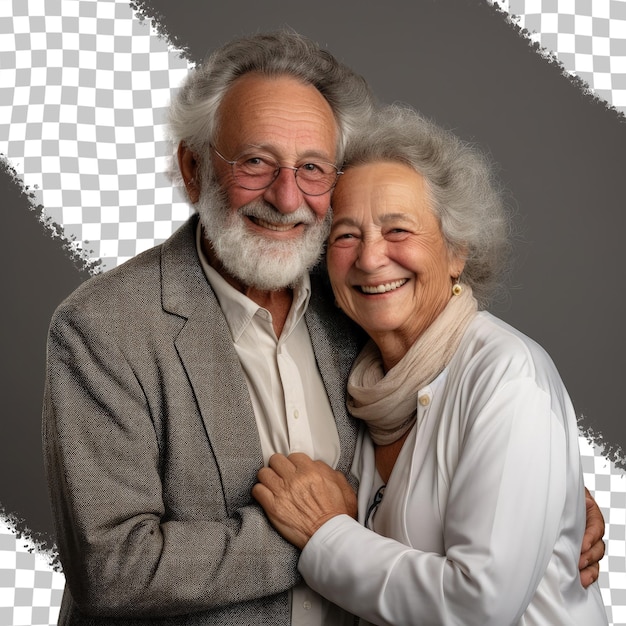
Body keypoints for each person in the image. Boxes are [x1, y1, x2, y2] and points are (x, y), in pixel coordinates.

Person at [42, 30, 604, 626]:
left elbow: (451, 432)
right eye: (256, 161)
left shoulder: (354, 299)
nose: (287, 197)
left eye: (312, 168)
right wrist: (316, 533)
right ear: (193, 168)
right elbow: (112, 569)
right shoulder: (103, 328)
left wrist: (545, 506)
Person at [253, 105, 608, 625]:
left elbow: (479, 608)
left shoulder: (508, 375)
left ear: (457, 251)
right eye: (346, 235)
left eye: (398, 230)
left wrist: (326, 534)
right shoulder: (366, 382)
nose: (371, 259)